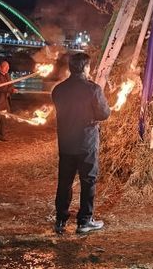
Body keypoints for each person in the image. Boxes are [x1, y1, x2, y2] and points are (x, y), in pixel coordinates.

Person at [51, 52, 111, 234]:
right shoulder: (93, 89)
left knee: (64, 182)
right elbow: (104, 114)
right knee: (88, 181)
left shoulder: (58, 89)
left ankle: (60, 220)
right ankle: (84, 221)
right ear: (85, 67)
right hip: (86, 143)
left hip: (66, 143)